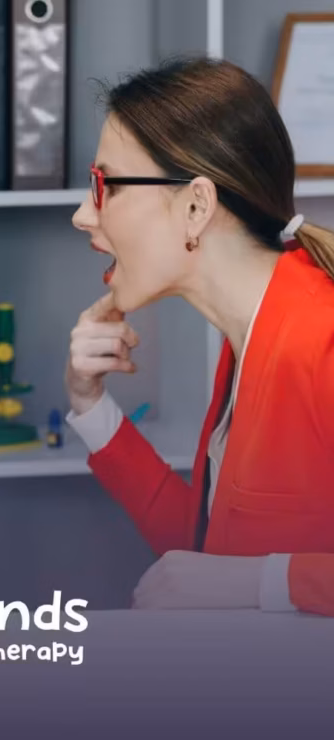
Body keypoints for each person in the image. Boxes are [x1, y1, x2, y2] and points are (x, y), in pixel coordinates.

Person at [65, 56, 334, 617]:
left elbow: (237, 578)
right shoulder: (247, 339)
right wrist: (91, 407)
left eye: (103, 185)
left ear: (195, 207)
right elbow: (205, 559)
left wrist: (262, 584)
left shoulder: (321, 339)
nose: (83, 216)